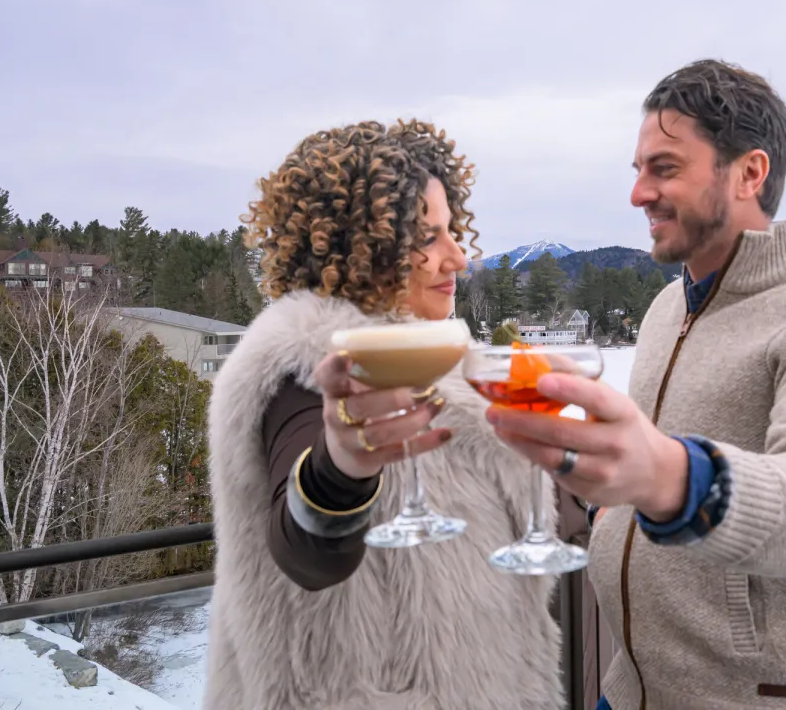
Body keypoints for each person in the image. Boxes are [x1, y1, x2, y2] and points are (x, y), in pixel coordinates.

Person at [485, 60, 786, 710]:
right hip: (627, 690)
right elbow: (637, 480)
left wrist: (670, 476)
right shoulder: (665, 310)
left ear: (749, 173)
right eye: (638, 170)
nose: (638, 194)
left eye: (665, 168)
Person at [203, 120, 563, 710]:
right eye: (428, 238)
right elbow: (304, 549)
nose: (458, 258)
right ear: (356, 248)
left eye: (452, 231)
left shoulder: (433, 359)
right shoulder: (309, 366)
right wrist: (338, 474)